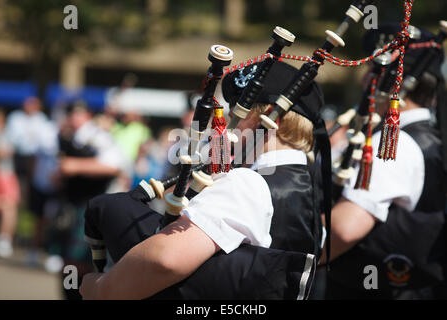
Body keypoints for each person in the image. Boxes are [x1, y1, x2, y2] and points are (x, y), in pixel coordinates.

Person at [79, 60, 330, 300]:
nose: (228, 126)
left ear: (270, 119)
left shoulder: (249, 183)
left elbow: (164, 260)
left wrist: (101, 289)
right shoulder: (312, 189)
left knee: (110, 207)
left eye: (238, 113)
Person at [323, 24, 447, 299]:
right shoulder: (427, 138)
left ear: (389, 80)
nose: (364, 80)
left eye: (372, 70)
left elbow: (344, 229)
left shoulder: (397, 144)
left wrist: (291, 261)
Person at [57, 101, 128, 299]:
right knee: (67, 261)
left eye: (78, 113)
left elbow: (114, 165)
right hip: (70, 205)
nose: (73, 117)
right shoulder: (66, 136)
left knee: (80, 262)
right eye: (70, 113)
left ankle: (77, 296)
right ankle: (70, 295)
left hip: (90, 205)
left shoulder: (98, 137)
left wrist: (76, 166)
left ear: (88, 115)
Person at [0, 109, 20, 258]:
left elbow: (6, 152)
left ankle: (5, 239)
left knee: (9, 208)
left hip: (5, 176)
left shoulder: (7, 136)